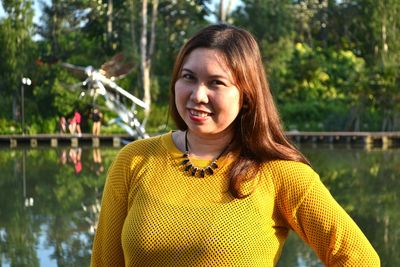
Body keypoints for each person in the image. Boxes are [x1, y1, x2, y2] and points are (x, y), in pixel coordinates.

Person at [90, 24, 380, 266]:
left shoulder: (279, 173)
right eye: (188, 77)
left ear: (247, 96)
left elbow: (359, 259)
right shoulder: (134, 160)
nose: (197, 95)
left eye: (216, 83)